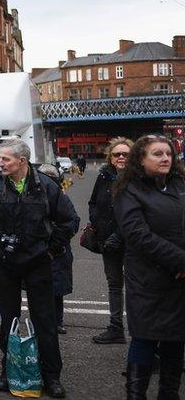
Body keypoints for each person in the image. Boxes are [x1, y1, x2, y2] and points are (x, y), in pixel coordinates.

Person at [0, 138, 76, 398]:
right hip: (4, 262)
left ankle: (52, 377)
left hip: (38, 262)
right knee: (10, 319)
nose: (0, 163)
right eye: (1, 158)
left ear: (22, 161)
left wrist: (51, 250)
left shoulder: (47, 186)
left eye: (5, 159)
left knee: (45, 321)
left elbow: (69, 221)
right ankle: (9, 371)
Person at [113, 135, 185, 399]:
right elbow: (138, 235)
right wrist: (180, 261)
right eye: (157, 154)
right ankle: (136, 395)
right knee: (145, 337)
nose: (165, 158)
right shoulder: (128, 189)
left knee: (176, 339)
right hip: (148, 279)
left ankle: (169, 394)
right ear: (140, 160)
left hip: (179, 280)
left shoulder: (179, 184)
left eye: (168, 153)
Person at [88, 137, 132, 345]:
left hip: (132, 242)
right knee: (114, 285)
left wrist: (119, 234)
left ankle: (141, 333)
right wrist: (95, 224)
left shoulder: (137, 178)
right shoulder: (104, 176)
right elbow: (93, 202)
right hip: (107, 243)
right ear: (110, 157)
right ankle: (116, 328)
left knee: (136, 286)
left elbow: (136, 213)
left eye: (126, 154)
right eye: (117, 154)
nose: (121, 157)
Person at [37, 164, 80, 336]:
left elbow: (72, 223)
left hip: (57, 250)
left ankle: (57, 321)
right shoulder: (32, 196)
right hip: (43, 249)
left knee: (56, 290)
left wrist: (54, 241)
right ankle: (43, 321)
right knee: (39, 288)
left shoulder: (61, 198)